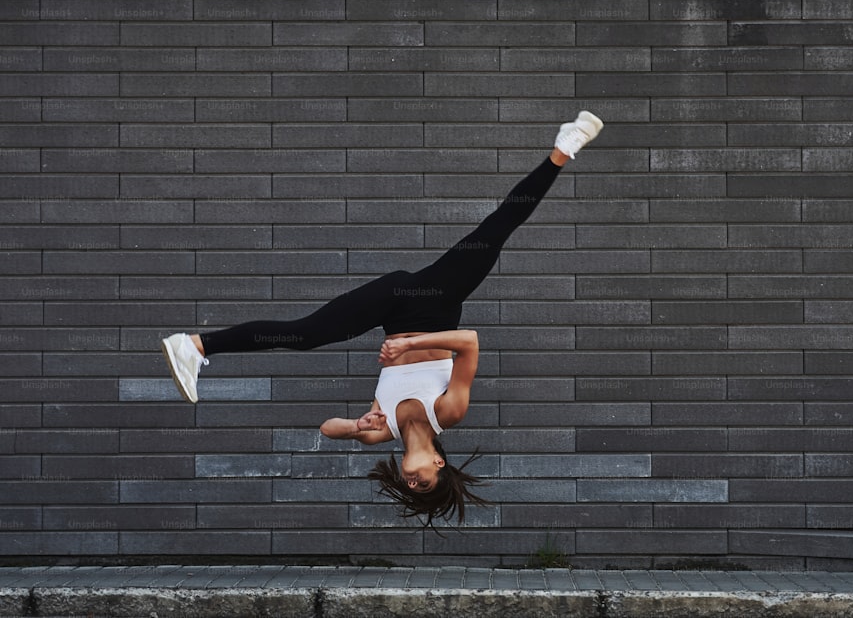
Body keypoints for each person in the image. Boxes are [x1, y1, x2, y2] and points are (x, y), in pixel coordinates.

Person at [160, 111, 604, 528]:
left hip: (390, 308)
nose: (412, 483)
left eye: (410, 488)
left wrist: (355, 426)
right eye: (424, 484)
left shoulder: (383, 431)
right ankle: (564, 149)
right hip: (435, 304)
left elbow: (326, 429)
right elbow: (468, 341)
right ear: (438, 464)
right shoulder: (448, 412)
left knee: (306, 335)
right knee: (495, 231)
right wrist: (410, 347)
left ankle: (196, 345)